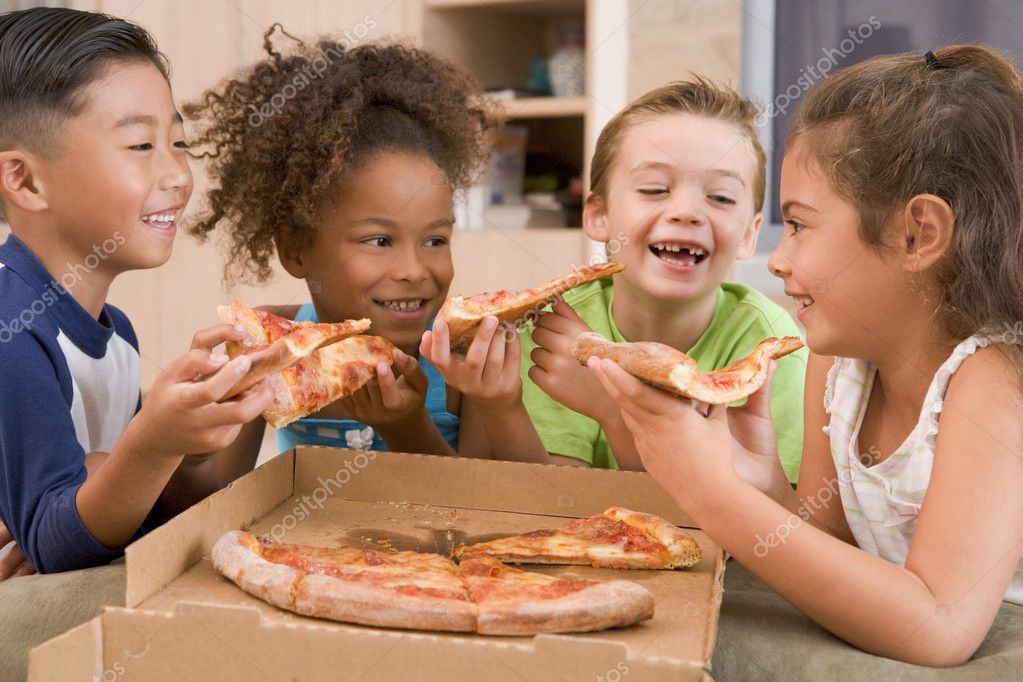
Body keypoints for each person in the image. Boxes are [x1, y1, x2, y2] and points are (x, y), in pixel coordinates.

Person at [589, 46, 1023, 666]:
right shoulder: (842, 362)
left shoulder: (994, 381)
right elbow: (829, 553)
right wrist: (762, 481)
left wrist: (708, 490)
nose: (776, 260)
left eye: (798, 225)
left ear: (917, 234)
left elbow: (940, 625)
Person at [0, 6, 271, 576]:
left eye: (179, 142)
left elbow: (133, 513)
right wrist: (149, 447)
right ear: (25, 180)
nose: (177, 174)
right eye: (142, 147)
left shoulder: (116, 331)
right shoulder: (14, 335)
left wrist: (188, 442)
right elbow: (57, 546)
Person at [188, 28, 527, 460]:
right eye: (381, 240)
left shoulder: (467, 357)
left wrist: (407, 427)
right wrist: (195, 433)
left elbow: (489, 511)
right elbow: (209, 499)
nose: (414, 269)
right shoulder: (274, 342)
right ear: (295, 250)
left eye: (435, 239)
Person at [445, 79, 806, 475]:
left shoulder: (769, 351)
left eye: (720, 197)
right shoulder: (554, 332)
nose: (687, 211)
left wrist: (613, 410)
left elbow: (744, 519)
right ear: (598, 216)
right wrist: (501, 406)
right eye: (654, 189)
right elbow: (557, 514)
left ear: (750, 234)